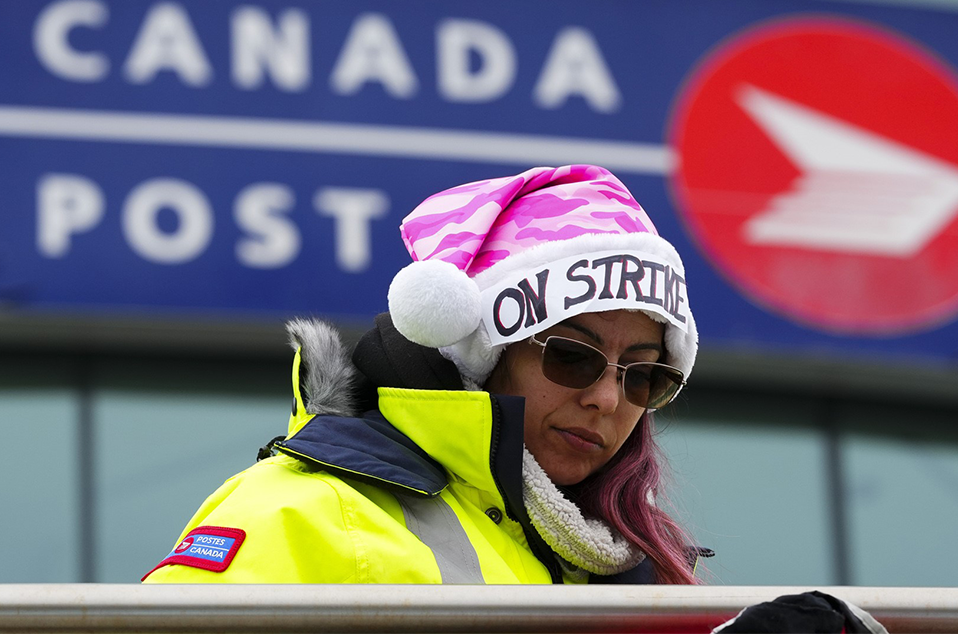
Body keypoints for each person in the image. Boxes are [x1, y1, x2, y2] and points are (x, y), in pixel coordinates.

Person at [143, 164, 703, 584]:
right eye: (572, 355)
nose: (607, 399)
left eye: (644, 376)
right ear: (481, 352)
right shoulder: (300, 512)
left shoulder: (634, 563)